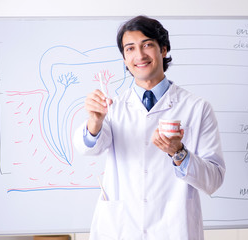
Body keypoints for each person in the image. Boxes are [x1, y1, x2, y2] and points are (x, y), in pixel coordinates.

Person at [73, 15, 225, 240]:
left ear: (163, 50)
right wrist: (95, 121)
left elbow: (214, 180)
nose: (139, 55)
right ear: (124, 59)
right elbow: (88, 148)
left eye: (147, 45)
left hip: (174, 230)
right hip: (121, 230)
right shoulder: (113, 108)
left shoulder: (197, 108)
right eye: (130, 49)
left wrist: (179, 153)